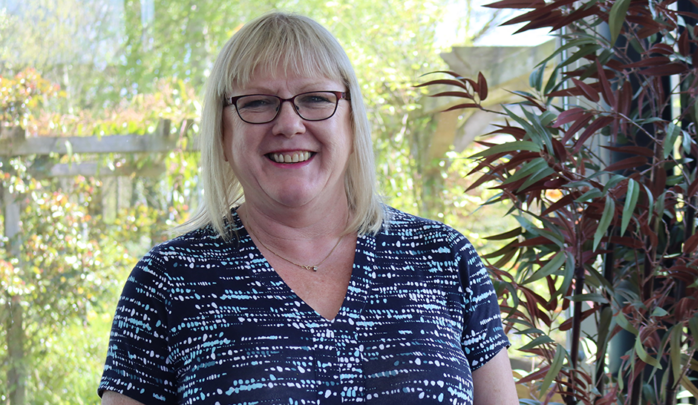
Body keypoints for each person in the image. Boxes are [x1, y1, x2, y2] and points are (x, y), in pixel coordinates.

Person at [98, 12, 518, 405]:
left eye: (316, 98)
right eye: (258, 103)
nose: (289, 124)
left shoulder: (444, 257)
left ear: (352, 124)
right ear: (223, 134)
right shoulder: (166, 282)